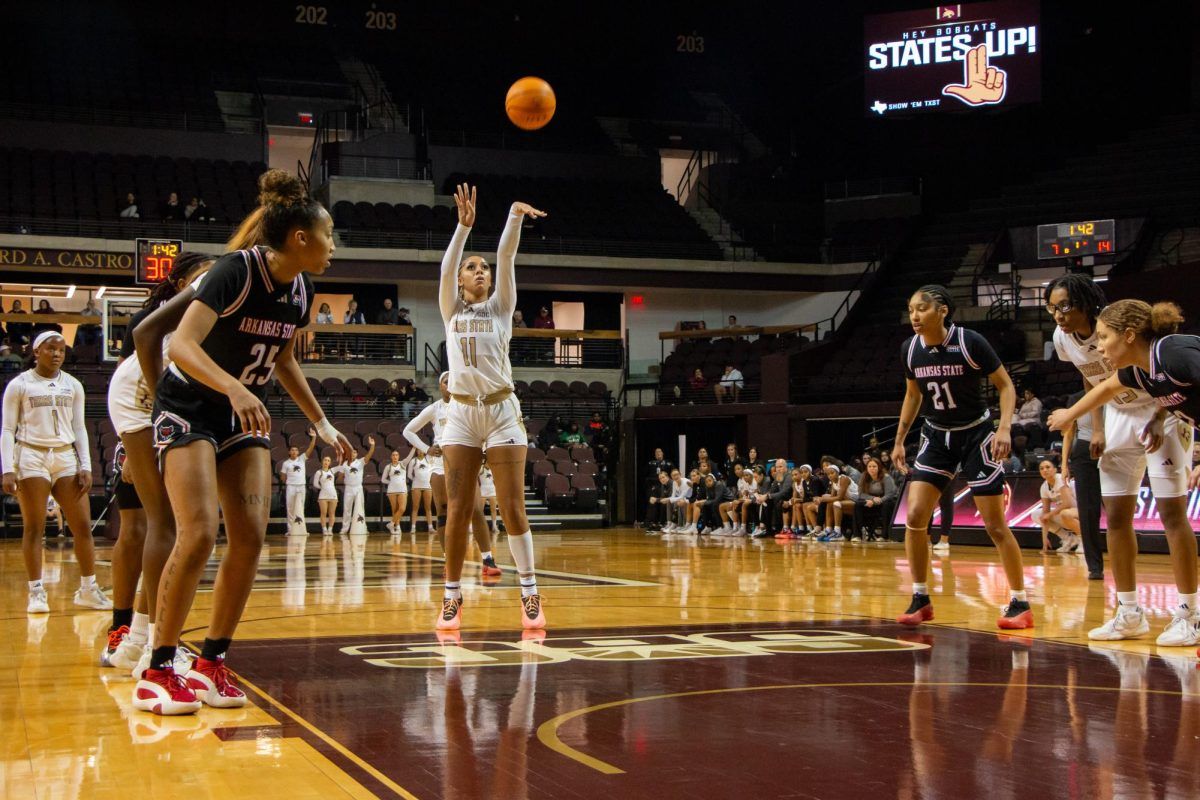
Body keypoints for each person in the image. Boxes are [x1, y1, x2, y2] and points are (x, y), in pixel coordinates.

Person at [135, 168, 351, 715]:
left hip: (240, 413)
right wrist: (232, 388)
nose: (334, 245)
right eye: (329, 234)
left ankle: (211, 661)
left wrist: (321, 422)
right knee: (201, 531)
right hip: (190, 407)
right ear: (300, 238)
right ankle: (157, 666)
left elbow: (282, 358)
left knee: (251, 536)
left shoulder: (300, 288)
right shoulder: (235, 271)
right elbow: (179, 344)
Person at [1048, 299, 1200, 647]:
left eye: (1104, 337)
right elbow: (1106, 389)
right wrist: (1070, 415)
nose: (1098, 347)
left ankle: (1191, 613)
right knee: (1116, 516)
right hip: (1134, 422)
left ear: (1129, 335)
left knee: (1173, 515)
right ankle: (1129, 613)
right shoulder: (1141, 369)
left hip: (1176, 431)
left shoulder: (1172, 352)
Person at [435, 183, 546, 630]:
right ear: (461, 280)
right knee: (458, 509)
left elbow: (508, 257)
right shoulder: (451, 310)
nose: (480, 271)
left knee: (512, 505)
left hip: (502, 412)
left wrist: (513, 216)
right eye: (471, 268)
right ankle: (451, 595)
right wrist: (462, 231)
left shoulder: (501, 308)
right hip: (461, 414)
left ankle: (530, 591)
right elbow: (443, 270)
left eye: (483, 267)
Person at [891, 285, 1032, 630]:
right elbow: (912, 396)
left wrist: (1004, 428)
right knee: (916, 516)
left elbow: (1006, 385)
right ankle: (921, 597)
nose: (914, 315)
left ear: (942, 311)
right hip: (937, 434)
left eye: (921, 308)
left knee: (995, 525)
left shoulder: (970, 342)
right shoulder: (910, 350)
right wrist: (899, 441)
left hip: (976, 434)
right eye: (910, 309)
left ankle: (1020, 602)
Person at [104, 252, 214, 673]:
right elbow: (141, 358)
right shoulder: (173, 315)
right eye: (201, 275)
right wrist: (140, 438)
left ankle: (136, 640)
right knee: (164, 526)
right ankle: (150, 644)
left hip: (160, 405)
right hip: (140, 404)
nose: (209, 280)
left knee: (168, 525)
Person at [1, 330, 110, 615]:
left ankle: (88, 589)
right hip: (30, 454)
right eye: (51, 349)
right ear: (36, 352)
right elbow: (7, 429)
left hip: (64, 456)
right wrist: (7, 469)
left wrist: (85, 465)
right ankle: (36, 591)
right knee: (34, 528)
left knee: (82, 526)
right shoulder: (19, 384)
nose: (57, 353)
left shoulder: (73, 385)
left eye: (61, 349)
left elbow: (78, 428)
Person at [1062, 389, 1104, 579]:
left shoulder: (1113, 389)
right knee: (1088, 512)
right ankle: (1094, 567)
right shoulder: (1075, 397)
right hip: (1084, 453)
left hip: (1111, 449)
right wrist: (1064, 464)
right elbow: (1069, 433)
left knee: (1114, 509)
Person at [1036, 459, 1080, 554]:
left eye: (1048, 467)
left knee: (1065, 513)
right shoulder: (1044, 487)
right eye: (1041, 468)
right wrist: (1044, 541)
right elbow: (1045, 515)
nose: (1044, 470)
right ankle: (1068, 539)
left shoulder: (1060, 479)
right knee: (1037, 515)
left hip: (1082, 511)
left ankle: (1084, 540)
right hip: (1067, 515)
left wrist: (1049, 515)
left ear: (1055, 470)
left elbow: (1068, 503)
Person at [279, 430, 317, 533]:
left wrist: (314, 437)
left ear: (298, 452)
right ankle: (290, 530)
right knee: (290, 508)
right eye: (292, 450)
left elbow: (310, 448)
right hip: (291, 487)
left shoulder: (301, 459)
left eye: (296, 450)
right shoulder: (286, 463)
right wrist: (290, 481)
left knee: (300, 507)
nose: (294, 452)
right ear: (289, 452)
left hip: (301, 486)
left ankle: (301, 530)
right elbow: (283, 476)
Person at [334, 438, 374, 534]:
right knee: (347, 509)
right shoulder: (344, 464)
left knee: (360, 507)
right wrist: (339, 469)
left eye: (355, 452)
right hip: (348, 488)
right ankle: (345, 529)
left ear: (357, 454)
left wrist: (372, 445)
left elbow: (369, 455)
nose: (353, 454)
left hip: (358, 488)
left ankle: (362, 527)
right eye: (351, 452)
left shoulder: (360, 462)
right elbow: (340, 478)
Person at [855, 457, 898, 542]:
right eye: (869, 466)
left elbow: (890, 494)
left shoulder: (886, 477)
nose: (872, 468)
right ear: (867, 468)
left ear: (879, 467)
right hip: (872, 501)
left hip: (885, 501)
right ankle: (857, 535)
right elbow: (861, 494)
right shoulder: (864, 477)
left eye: (874, 466)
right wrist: (872, 499)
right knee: (857, 504)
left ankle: (884, 536)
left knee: (887, 504)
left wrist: (877, 501)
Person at [382, 449, 411, 534]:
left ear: (399, 456)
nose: (395, 456)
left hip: (402, 490)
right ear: (391, 457)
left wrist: (413, 447)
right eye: (393, 455)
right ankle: (397, 527)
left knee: (402, 508)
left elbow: (409, 457)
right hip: (392, 490)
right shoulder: (388, 467)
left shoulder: (403, 464)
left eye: (396, 455)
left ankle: (391, 524)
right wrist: (390, 482)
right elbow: (383, 479)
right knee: (395, 510)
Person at [407, 448, 435, 533]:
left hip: (427, 486)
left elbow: (433, 470)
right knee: (415, 507)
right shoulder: (413, 461)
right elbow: (409, 475)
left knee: (428, 507)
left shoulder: (428, 459)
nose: (420, 451)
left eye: (421, 450)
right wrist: (416, 480)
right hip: (416, 486)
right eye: (418, 450)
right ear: (416, 451)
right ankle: (413, 527)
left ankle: (430, 527)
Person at [312, 455, 339, 535]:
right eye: (325, 460)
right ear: (322, 461)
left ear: (330, 463)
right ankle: (324, 529)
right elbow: (315, 484)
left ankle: (330, 529)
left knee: (332, 513)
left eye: (328, 460)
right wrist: (322, 488)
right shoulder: (318, 472)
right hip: (323, 496)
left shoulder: (332, 471)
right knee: (323, 513)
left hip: (333, 495)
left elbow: (341, 466)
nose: (326, 462)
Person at [664, 468, 692, 533]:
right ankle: (670, 523)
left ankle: (684, 524)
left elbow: (682, 496)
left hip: (689, 499)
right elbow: (673, 496)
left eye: (677, 474)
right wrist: (669, 499)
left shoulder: (685, 482)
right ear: (671, 477)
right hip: (683, 499)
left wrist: (669, 499)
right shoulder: (674, 483)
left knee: (679, 502)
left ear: (680, 475)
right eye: (673, 475)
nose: (675, 476)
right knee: (671, 502)